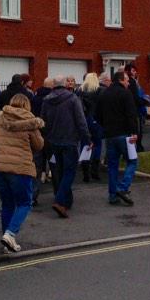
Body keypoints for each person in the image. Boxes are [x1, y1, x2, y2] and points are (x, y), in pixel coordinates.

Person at [0, 93, 44, 253]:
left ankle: (7, 240)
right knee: (24, 203)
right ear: (27, 105)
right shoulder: (31, 122)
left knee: (7, 204)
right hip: (20, 168)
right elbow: (39, 145)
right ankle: (10, 234)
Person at [41, 76, 91, 218]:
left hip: (53, 141)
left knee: (61, 171)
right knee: (69, 172)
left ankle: (66, 201)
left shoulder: (46, 100)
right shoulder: (73, 99)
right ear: (64, 85)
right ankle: (60, 200)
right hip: (70, 140)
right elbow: (81, 121)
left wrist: (47, 136)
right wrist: (87, 139)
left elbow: (42, 121)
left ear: (53, 86)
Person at [97, 71, 139, 206]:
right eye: (127, 80)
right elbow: (131, 114)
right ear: (121, 80)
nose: (128, 82)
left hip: (110, 134)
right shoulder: (126, 94)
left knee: (112, 166)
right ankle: (123, 187)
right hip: (125, 134)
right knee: (132, 161)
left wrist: (105, 126)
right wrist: (134, 132)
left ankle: (112, 195)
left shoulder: (104, 94)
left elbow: (98, 115)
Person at [78, 73, 105, 181]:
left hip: (84, 120)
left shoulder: (80, 91)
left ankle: (85, 172)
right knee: (97, 144)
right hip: (96, 120)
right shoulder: (100, 91)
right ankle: (95, 171)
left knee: (85, 144)